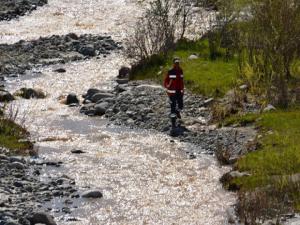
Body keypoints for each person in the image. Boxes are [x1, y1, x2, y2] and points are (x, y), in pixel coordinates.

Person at [164, 57, 184, 129]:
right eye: (176, 63)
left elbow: (182, 81)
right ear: (173, 63)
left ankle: (177, 112)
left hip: (179, 91)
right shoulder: (170, 71)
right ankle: (173, 123)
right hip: (172, 92)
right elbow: (166, 81)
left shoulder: (181, 70)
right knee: (172, 107)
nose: (177, 64)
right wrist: (167, 86)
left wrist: (183, 90)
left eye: (178, 63)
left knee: (181, 106)